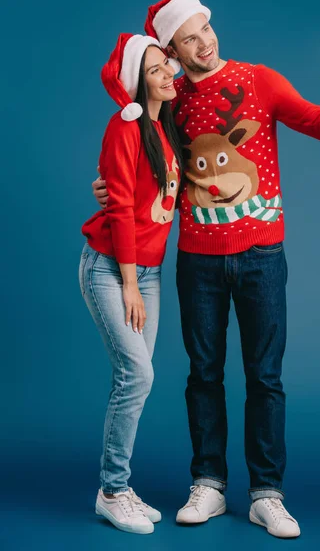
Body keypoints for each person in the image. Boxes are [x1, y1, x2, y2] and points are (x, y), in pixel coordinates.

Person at [93, 0, 320, 538]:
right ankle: (208, 484)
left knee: (265, 377)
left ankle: (267, 494)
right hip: (198, 262)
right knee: (203, 376)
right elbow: (138, 160)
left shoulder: (260, 80)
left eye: (207, 27)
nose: (205, 41)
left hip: (263, 255)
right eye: (189, 37)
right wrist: (106, 189)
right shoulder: (168, 100)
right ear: (171, 49)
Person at [79, 32, 183, 534]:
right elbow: (119, 207)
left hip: (150, 271)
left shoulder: (165, 130)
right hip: (111, 268)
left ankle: (120, 486)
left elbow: (157, 199)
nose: (168, 75)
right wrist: (128, 284)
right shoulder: (126, 126)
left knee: (136, 382)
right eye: (157, 70)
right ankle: (112, 491)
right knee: (136, 376)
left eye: (169, 66)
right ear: (138, 82)